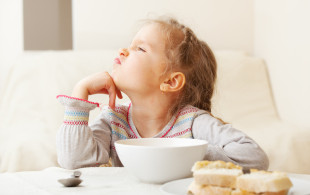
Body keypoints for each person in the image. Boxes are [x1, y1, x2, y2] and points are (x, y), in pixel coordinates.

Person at [56, 17, 269, 171]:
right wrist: (80, 93)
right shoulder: (113, 120)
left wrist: (187, 154)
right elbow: (75, 162)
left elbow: (254, 157)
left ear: (170, 81)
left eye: (140, 49)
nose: (122, 51)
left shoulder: (191, 122)